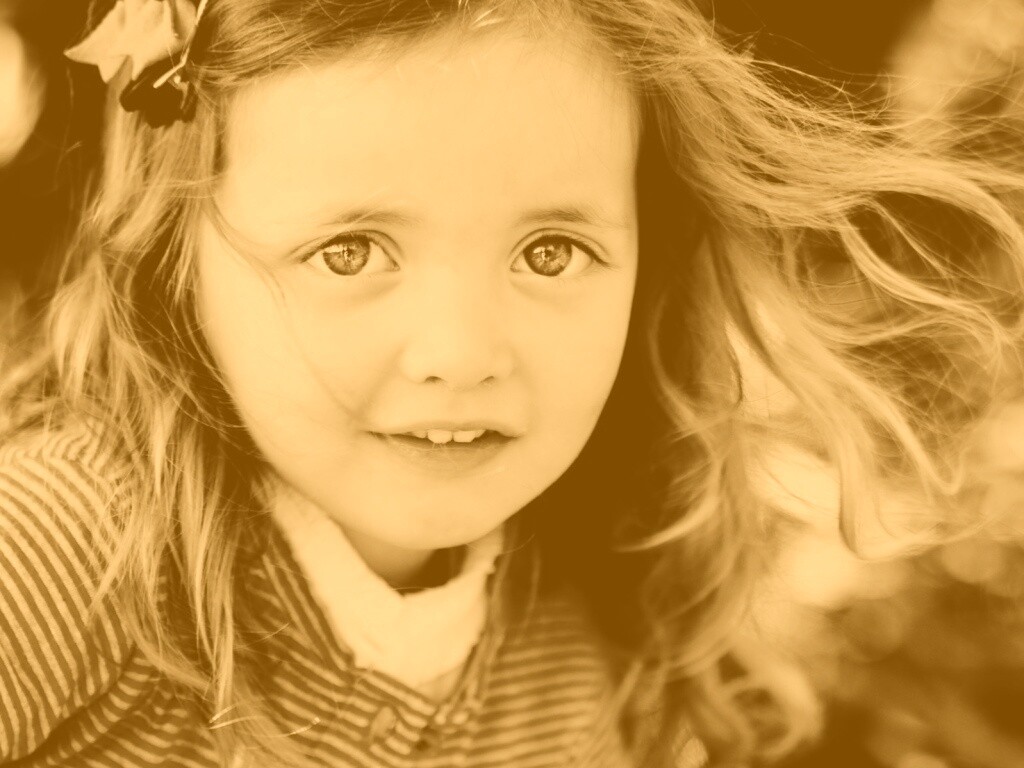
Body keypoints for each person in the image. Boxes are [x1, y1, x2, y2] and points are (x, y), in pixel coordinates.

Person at [1, 1, 1022, 766]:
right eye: (351, 253)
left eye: (549, 254)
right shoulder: (65, 542)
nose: (461, 352)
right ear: (175, 263)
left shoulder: (590, 632)